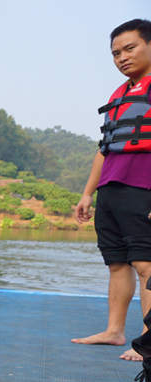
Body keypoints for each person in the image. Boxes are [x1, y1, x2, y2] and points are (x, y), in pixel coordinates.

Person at [73, 18, 151, 362]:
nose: (122, 58)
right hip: (111, 190)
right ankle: (114, 330)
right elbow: (104, 148)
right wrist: (88, 193)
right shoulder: (118, 95)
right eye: (116, 53)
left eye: (130, 48)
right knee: (117, 263)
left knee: (147, 264)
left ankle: (149, 340)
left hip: (143, 187)